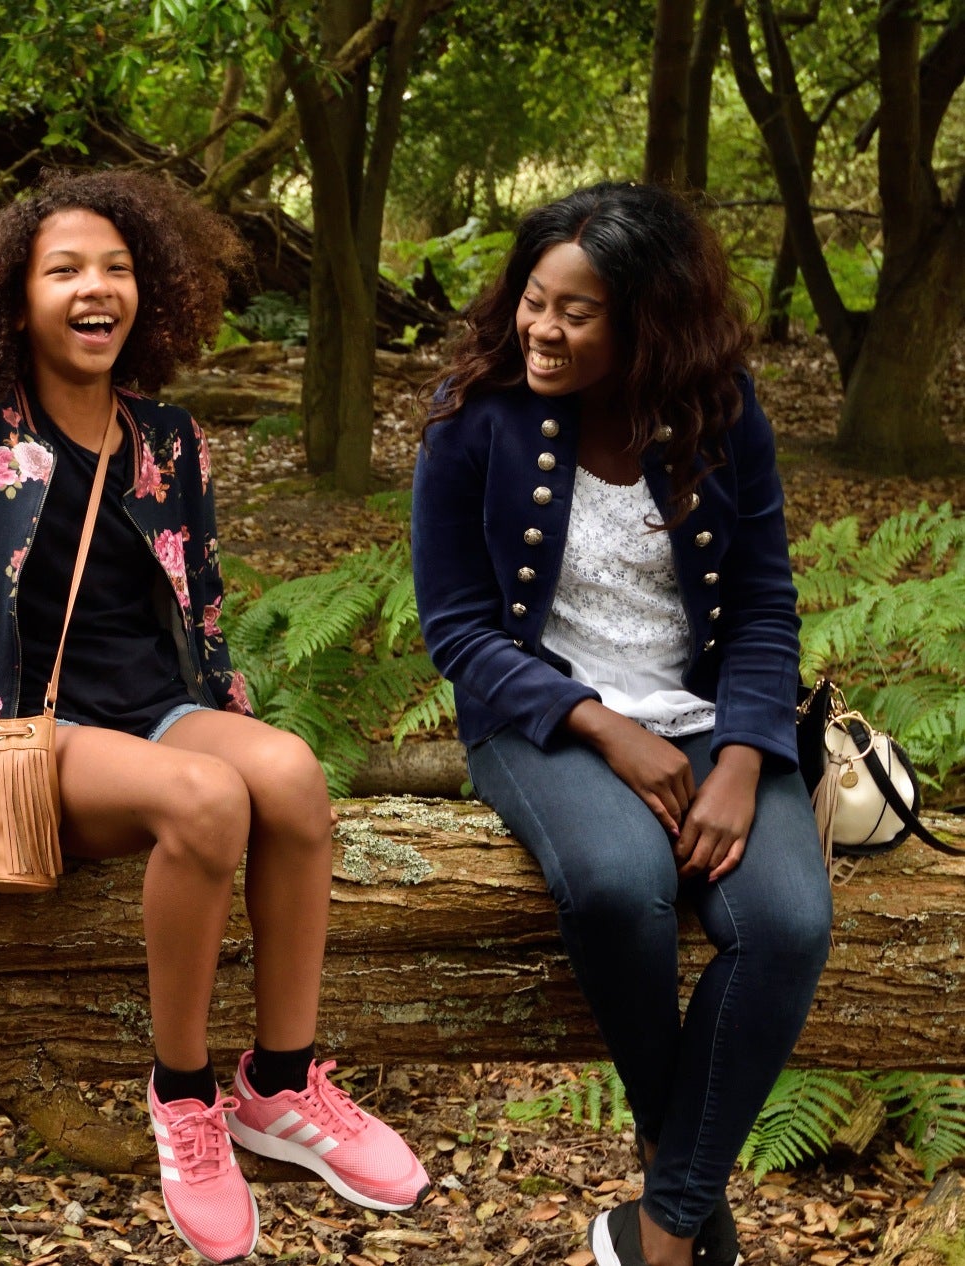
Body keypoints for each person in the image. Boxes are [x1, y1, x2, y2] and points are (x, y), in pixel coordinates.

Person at [0, 170, 429, 1264]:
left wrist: (243, 733)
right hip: (8, 747)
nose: (95, 288)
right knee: (204, 802)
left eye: (117, 269)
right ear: (17, 300)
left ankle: (280, 1086)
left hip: (153, 716)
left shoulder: (172, 442)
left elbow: (201, 624)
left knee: (290, 774)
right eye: (65, 270)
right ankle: (184, 1097)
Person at [411, 181, 830, 1266]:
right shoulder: (470, 417)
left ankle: (662, 1224)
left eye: (578, 312)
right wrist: (601, 725)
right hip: (538, 719)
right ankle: (686, 1209)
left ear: (647, 318)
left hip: (709, 715)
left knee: (786, 922)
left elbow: (766, 601)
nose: (542, 329)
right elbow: (457, 631)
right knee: (614, 881)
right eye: (534, 300)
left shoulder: (721, 407)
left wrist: (743, 757)